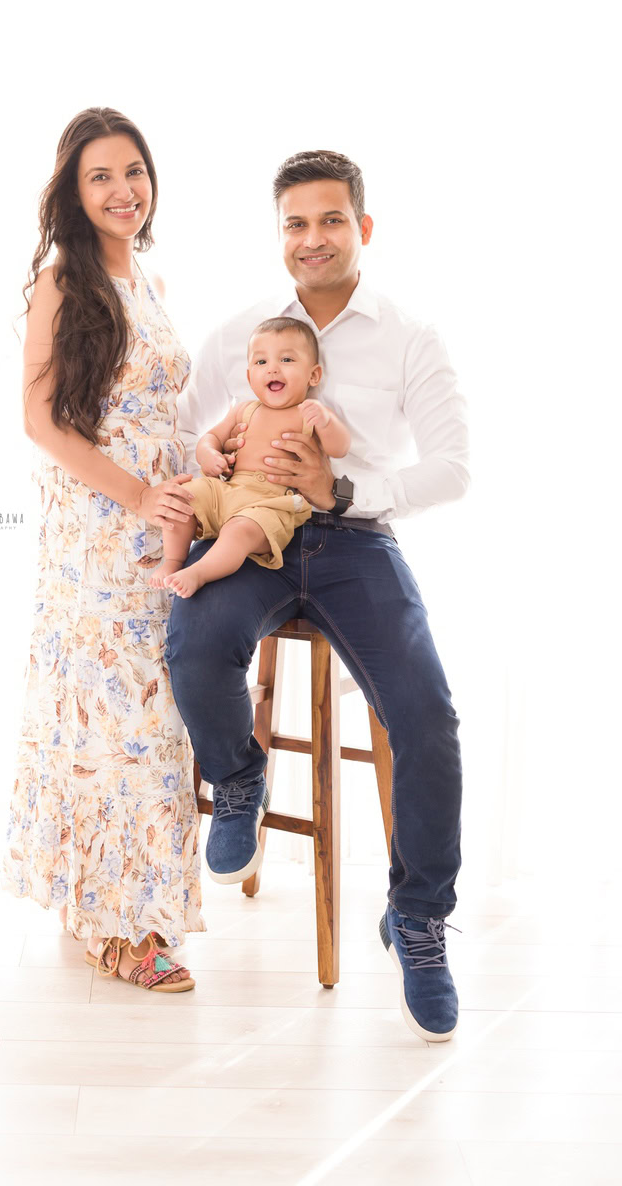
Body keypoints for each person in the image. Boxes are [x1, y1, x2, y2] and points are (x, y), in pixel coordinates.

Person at [166, 150, 469, 1038]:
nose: (313, 239)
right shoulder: (243, 334)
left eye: (331, 220)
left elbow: (453, 470)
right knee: (191, 645)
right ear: (280, 236)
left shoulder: (409, 337)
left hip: (353, 540)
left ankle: (416, 916)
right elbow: (186, 427)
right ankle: (238, 778)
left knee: (428, 714)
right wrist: (210, 456)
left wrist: (344, 493)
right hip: (247, 534)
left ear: (362, 229)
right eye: (296, 223)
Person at [0, 107, 205, 993]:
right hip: (98, 532)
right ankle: (116, 925)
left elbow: (161, 414)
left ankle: (123, 904)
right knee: (114, 728)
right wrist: (135, 493)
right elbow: (41, 420)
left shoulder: (148, 281)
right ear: (73, 195)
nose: (123, 190)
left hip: (167, 525)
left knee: (161, 721)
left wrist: (203, 460)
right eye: (100, 177)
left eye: (134, 171)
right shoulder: (62, 282)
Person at [150, 317, 350, 597]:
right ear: (248, 377)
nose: (273, 369)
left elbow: (339, 448)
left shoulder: (309, 412)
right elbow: (211, 437)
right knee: (182, 498)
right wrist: (208, 455)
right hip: (229, 489)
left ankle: (200, 572)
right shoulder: (244, 409)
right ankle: (173, 560)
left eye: (287, 360)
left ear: (313, 375)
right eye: (261, 362)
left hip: (270, 502)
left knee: (239, 532)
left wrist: (326, 423)